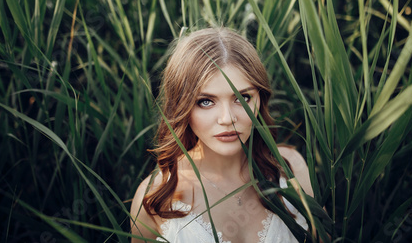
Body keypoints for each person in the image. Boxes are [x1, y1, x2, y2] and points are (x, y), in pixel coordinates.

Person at [130, 27, 314, 243]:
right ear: (181, 106)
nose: (227, 118)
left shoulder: (291, 168)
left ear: (260, 99)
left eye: (242, 97)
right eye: (205, 101)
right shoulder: (155, 196)